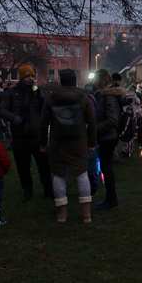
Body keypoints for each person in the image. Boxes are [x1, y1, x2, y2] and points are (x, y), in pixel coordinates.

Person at [40, 69, 97, 223]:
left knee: (58, 175)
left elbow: (43, 123)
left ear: (61, 80)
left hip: (57, 142)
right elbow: (92, 122)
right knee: (82, 174)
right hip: (79, 141)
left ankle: (62, 215)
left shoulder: (51, 98)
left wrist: (42, 143)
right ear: (74, 80)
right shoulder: (84, 97)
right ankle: (86, 215)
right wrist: (92, 143)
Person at [0, 64, 53, 201]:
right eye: (27, 76)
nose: (30, 79)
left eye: (32, 76)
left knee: (44, 165)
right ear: (22, 77)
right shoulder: (12, 93)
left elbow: (46, 107)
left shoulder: (37, 92)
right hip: (20, 135)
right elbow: (2, 110)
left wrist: (39, 95)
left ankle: (48, 189)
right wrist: (14, 118)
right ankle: (27, 190)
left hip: (37, 135)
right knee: (23, 166)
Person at [94, 69, 126, 210]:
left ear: (102, 80)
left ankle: (111, 200)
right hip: (106, 136)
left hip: (108, 137)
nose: (94, 82)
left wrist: (95, 128)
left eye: (96, 79)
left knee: (106, 168)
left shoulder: (108, 96)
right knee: (106, 168)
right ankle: (110, 198)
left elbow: (112, 120)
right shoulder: (104, 95)